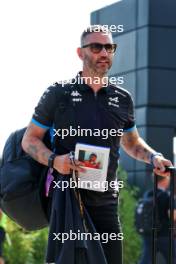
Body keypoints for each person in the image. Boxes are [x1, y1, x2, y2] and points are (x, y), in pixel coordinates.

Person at [21, 25, 173, 264]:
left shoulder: (123, 99)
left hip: (107, 202)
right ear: (81, 53)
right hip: (69, 199)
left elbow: (131, 143)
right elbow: (29, 140)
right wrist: (55, 160)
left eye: (109, 47)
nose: (104, 52)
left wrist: (154, 157)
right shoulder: (58, 93)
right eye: (96, 47)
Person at [139, 176, 176, 264]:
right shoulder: (166, 195)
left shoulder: (148, 194)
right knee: (174, 258)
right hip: (164, 235)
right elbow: (173, 216)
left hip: (149, 234)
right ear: (166, 179)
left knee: (146, 260)